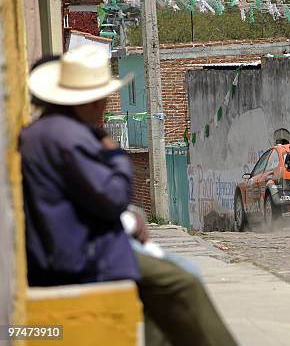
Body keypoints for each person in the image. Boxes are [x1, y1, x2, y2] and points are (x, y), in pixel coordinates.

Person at [20, 45, 236, 346]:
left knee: (155, 307)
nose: (105, 105)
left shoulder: (47, 133)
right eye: (101, 99)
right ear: (86, 101)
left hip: (70, 247)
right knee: (183, 283)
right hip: (83, 255)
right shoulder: (69, 139)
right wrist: (116, 156)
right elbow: (114, 197)